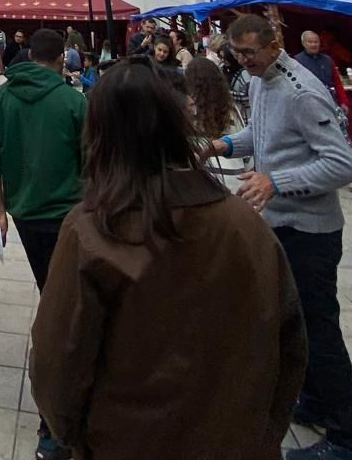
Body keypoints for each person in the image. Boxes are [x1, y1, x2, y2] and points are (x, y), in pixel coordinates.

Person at [29, 63, 307, 458]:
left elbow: (58, 362)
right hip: (236, 442)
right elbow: (291, 345)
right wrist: (261, 432)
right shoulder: (245, 224)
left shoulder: (93, 232)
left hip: (129, 441)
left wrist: (74, 435)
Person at [208, 14, 352, 460]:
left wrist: (277, 181)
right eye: (237, 54)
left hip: (310, 231)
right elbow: (260, 132)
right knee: (293, 324)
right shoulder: (259, 80)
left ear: (275, 45)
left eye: (251, 53)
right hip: (278, 226)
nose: (244, 62)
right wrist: (223, 144)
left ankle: (347, 439)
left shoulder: (303, 93)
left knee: (321, 330)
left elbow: (341, 165)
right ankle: (312, 398)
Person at [0, 27, 85, 459]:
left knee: (52, 295)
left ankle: (57, 413)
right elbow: (91, 158)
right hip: (69, 215)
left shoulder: (0, 98)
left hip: (24, 214)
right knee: (64, 309)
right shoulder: (73, 100)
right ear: (61, 57)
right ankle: (56, 420)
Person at [187, 56, 250, 193]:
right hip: (235, 180)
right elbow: (246, 152)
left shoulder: (188, 111)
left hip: (202, 182)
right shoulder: (230, 109)